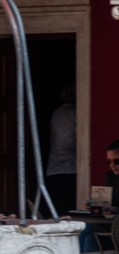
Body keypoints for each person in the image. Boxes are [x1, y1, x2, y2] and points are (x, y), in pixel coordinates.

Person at [45, 83, 77, 217]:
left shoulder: (56, 112)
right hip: (70, 168)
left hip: (53, 169)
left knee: (58, 212)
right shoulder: (74, 113)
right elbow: (73, 141)